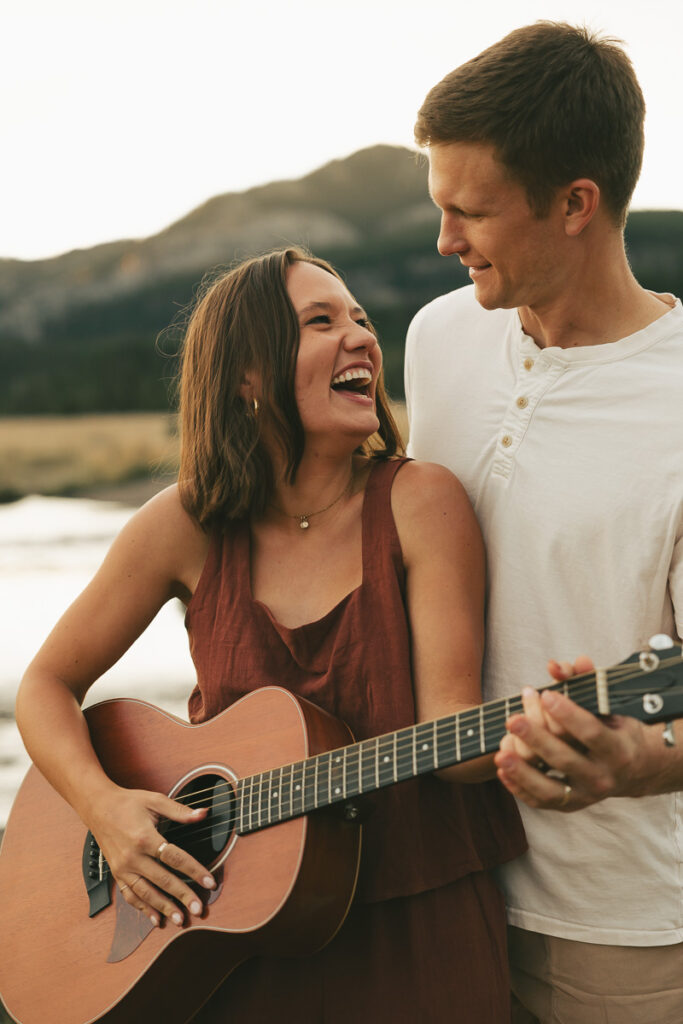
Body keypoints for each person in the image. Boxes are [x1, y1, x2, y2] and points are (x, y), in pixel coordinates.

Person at [15, 247, 525, 1022]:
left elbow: (450, 733)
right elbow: (44, 686)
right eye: (320, 321)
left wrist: (539, 734)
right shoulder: (182, 524)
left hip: (420, 925)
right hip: (232, 933)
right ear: (247, 376)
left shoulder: (420, 501)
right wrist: (105, 810)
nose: (360, 336)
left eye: (359, 317)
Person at [405, 20, 683, 1024]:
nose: (443, 242)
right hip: (428, 892)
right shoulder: (436, 338)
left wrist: (634, 765)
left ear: (575, 204)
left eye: (468, 211)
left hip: (614, 931)